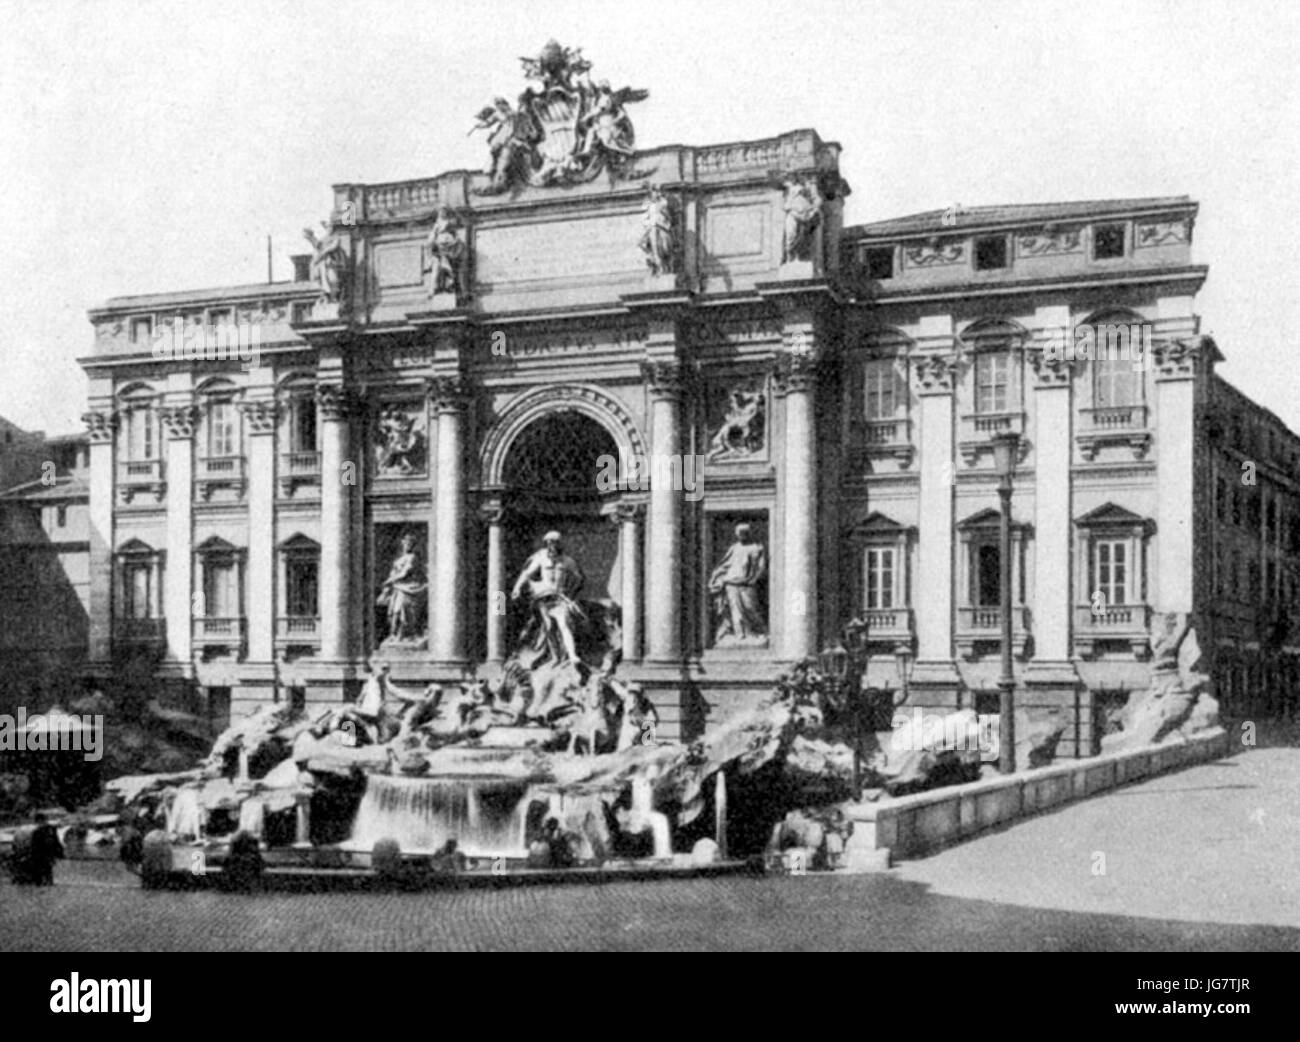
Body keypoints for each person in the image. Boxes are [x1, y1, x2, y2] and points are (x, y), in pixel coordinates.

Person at [511, 531, 585, 664]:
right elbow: (527, 573)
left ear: (559, 544)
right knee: (549, 627)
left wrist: (570, 593)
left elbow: (578, 578)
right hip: (544, 598)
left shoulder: (568, 561)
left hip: (560, 598)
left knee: (564, 624)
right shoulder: (541, 558)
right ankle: (556, 656)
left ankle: (572, 654)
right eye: (549, 542)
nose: (552, 545)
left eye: (554, 542)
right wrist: (517, 587)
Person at [708, 524, 768, 643]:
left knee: (750, 607)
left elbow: (761, 567)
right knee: (735, 611)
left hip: (747, 583)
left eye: (744, 532)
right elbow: (725, 564)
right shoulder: (734, 548)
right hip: (731, 582)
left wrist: (753, 579)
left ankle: (760, 631)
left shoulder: (756, 547)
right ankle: (740, 636)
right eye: (739, 533)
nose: (741, 535)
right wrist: (716, 576)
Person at [376, 534, 427, 642]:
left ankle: (402, 635)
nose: (408, 546)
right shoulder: (400, 558)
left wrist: (389, 581)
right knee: (392, 612)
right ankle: (393, 634)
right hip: (397, 587)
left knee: (401, 611)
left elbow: (405, 573)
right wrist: (388, 584)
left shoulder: (412, 557)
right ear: (403, 544)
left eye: (410, 544)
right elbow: (394, 572)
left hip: (409, 588)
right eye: (406, 543)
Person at [28, 812, 64, 886]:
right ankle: (48, 883)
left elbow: (34, 845)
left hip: (41, 854)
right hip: (48, 853)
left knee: (41, 872)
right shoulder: (51, 829)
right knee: (48, 870)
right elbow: (56, 841)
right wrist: (60, 852)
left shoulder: (37, 832)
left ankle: (42, 884)